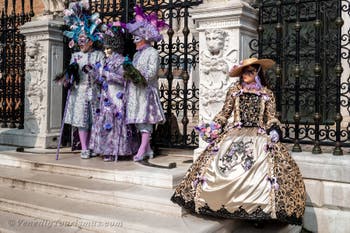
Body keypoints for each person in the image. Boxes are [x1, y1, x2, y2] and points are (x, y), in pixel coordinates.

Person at [171, 58, 306, 225]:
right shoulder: (234, 91)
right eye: (243, 71)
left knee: (258, 172)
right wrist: (214, 126)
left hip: (258, 136)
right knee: (225, 168)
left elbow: (271, 117)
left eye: (250, 71)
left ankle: (257, 211)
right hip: (234, 135)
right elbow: (224, 113)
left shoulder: (267, 94)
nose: (245, 75)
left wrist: (274, 130)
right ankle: (219, 204)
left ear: (257, 73)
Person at [89, 23, 139, 161]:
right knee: (105, 122)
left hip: (117, 97)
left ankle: (119, 149)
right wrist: (93, 73)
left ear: (115, 48)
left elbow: (125, 79)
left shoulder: (123, 62)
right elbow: (101, 79)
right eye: (105, 49)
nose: (105, 51)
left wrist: (107, 75)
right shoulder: (105, 62)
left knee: (117, 121)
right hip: (105, 97)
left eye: (108, 49)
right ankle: (107, 149)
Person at [62, 0, 105, 159]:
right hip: (79, 92)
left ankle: (94, 146)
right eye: (79, 40)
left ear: (91, 39)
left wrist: (94, 73)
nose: (81, 43)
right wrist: (69, 77)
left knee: (94, 120)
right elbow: (70, 74)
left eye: (84, 39)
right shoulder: (75, 55)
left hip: (94, 91)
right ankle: (84, 148)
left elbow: (103, 76)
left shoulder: (99, 55)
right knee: (81, 120)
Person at [125, 5, 167, 162]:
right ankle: (148, 150)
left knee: (146, 119)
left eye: (137, 37)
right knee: (138, 120)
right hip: (136, 92)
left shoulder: (153, 53)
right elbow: (133, 71)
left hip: (147, 91)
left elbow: (151, 72)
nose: (135, 40)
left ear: (145, 37)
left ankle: (142, 149)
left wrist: (139, 77)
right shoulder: (136, 55)